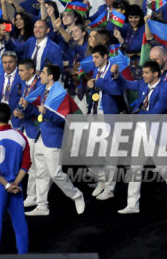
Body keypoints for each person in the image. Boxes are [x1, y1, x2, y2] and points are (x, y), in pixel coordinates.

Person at [111, 61, 167, 214]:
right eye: (143, 72)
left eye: (146, 73)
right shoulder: (143, 83)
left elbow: (152, 116)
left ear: (155, 74)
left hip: (156, 132)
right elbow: (125, 83)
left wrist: (134, 115)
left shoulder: (166, 91)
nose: (142, 75)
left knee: (162, 167)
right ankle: (132, 203)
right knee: (135, 167)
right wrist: (116, 75)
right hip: (141, 129)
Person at [24, 64, 85, 216]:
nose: (40, 76)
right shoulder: (43, 92)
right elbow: (37, 110)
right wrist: (27, 106)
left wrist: (46, 113)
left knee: (56, 174)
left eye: (43, 73)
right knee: (41, 173)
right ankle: (42, 205)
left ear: (51, 76)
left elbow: (62, 118)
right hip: (40, 137)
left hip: (53, 139)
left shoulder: (60, 94)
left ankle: (77, 195)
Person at [0, 103, 31, 255]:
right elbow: (26, 164)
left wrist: (6, 185)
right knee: (20, 225)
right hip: (17, 186)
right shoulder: (21, 137)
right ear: (10, 117)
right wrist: (16, 183)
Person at [86, 44, 122, 200]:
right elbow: (97, 89)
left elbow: (117, 90)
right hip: (95, 115)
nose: (93, 60)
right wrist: (90, 86)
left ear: (105, 56)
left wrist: (99, 83)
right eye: (93, 57)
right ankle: (101, 179)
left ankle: (109, 188)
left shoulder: (113, 70)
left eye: (96, 57)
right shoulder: (97, 70)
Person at [13, 58, 42, 207]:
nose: (19, 73)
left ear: (31, 71)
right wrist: (18, 110)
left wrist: (26, 113)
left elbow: (42, 108)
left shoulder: (40, 85)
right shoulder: (25, 83)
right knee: (32, 164)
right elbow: (22, 101)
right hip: (27, 127)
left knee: (35, 164)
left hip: (37, 128)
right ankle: (34, 195)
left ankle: (34, 196)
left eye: (21, 71)